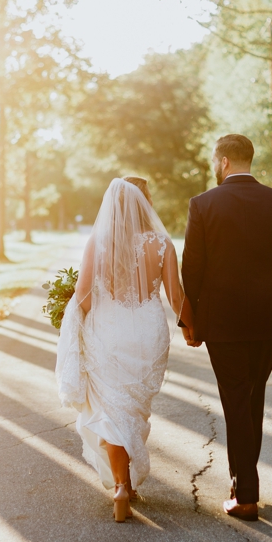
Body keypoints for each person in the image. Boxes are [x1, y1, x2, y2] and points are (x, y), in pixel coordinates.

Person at [180, 134, 272, 521]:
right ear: (248, 160)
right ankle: (243, 484)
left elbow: (192, 268)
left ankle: (246, 494)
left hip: (222, 319)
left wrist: (192, 320)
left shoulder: (202, 204)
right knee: (252, 397)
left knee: (236, 399)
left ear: (222, 162)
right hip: (270, 319)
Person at [55, 177, 187, 522]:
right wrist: (195, 329)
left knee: (112, 409)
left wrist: (72, 322)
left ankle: (121, 486)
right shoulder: (162, 244)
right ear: (146, 205)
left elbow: (84, 296)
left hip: (109, 333)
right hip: (148, 334)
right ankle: (125, 482)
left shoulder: (99, 242)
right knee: (132, 408)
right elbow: (176, 297)